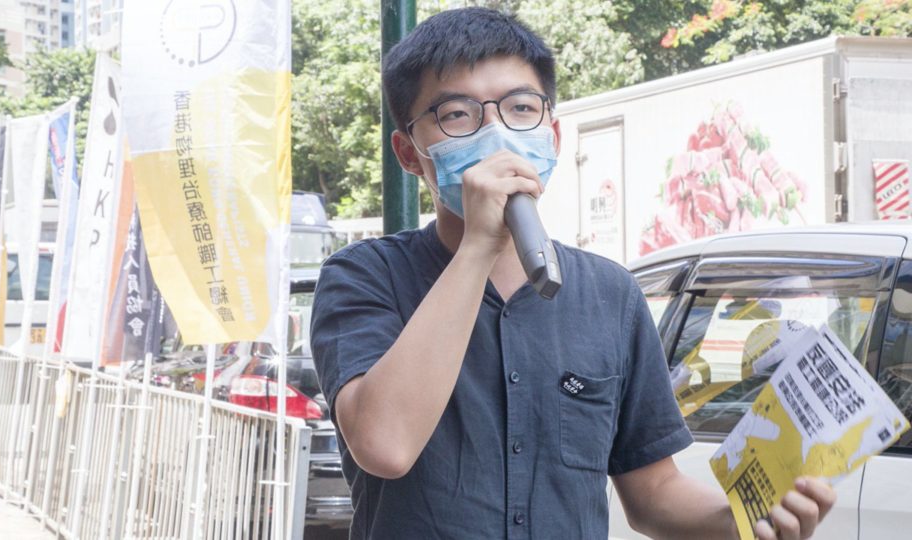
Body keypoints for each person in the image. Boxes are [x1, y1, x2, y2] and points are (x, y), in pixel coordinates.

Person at [310, 7, 836, 539]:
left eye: (520, 107)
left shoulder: (611, 293)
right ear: (408, 152)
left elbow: (653, 493)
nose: (497, 134)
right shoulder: (363, 276)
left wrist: (744, 518)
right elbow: (385, 445)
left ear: (553, 137)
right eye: (458, 114)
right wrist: (477, 247)